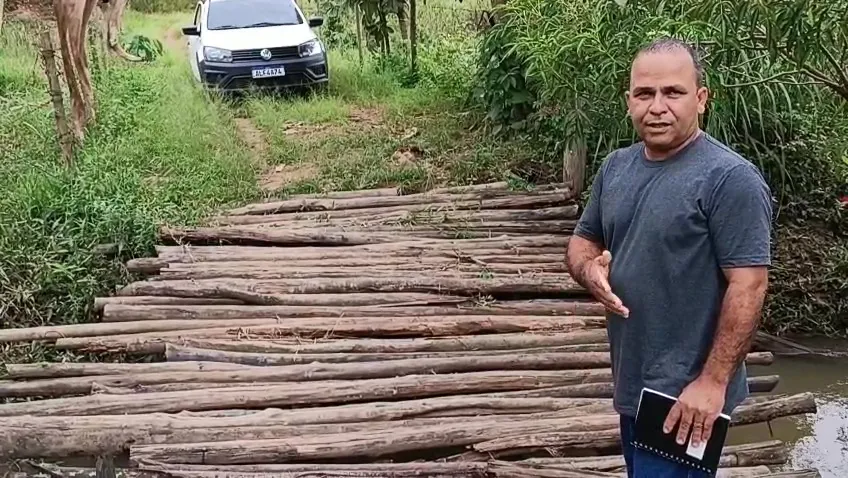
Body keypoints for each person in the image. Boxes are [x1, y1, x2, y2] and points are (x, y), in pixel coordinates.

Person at [566, 38, 774, 478]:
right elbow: (582, 241)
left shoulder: (730, 179)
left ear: (701, 99)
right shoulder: (617, 167)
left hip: (685, 399)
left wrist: (713, 382)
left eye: (673, 93)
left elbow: (749, 284)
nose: (657, 107)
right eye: (645, 93)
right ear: (628, 101)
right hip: (632, 381)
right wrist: (589, 270)